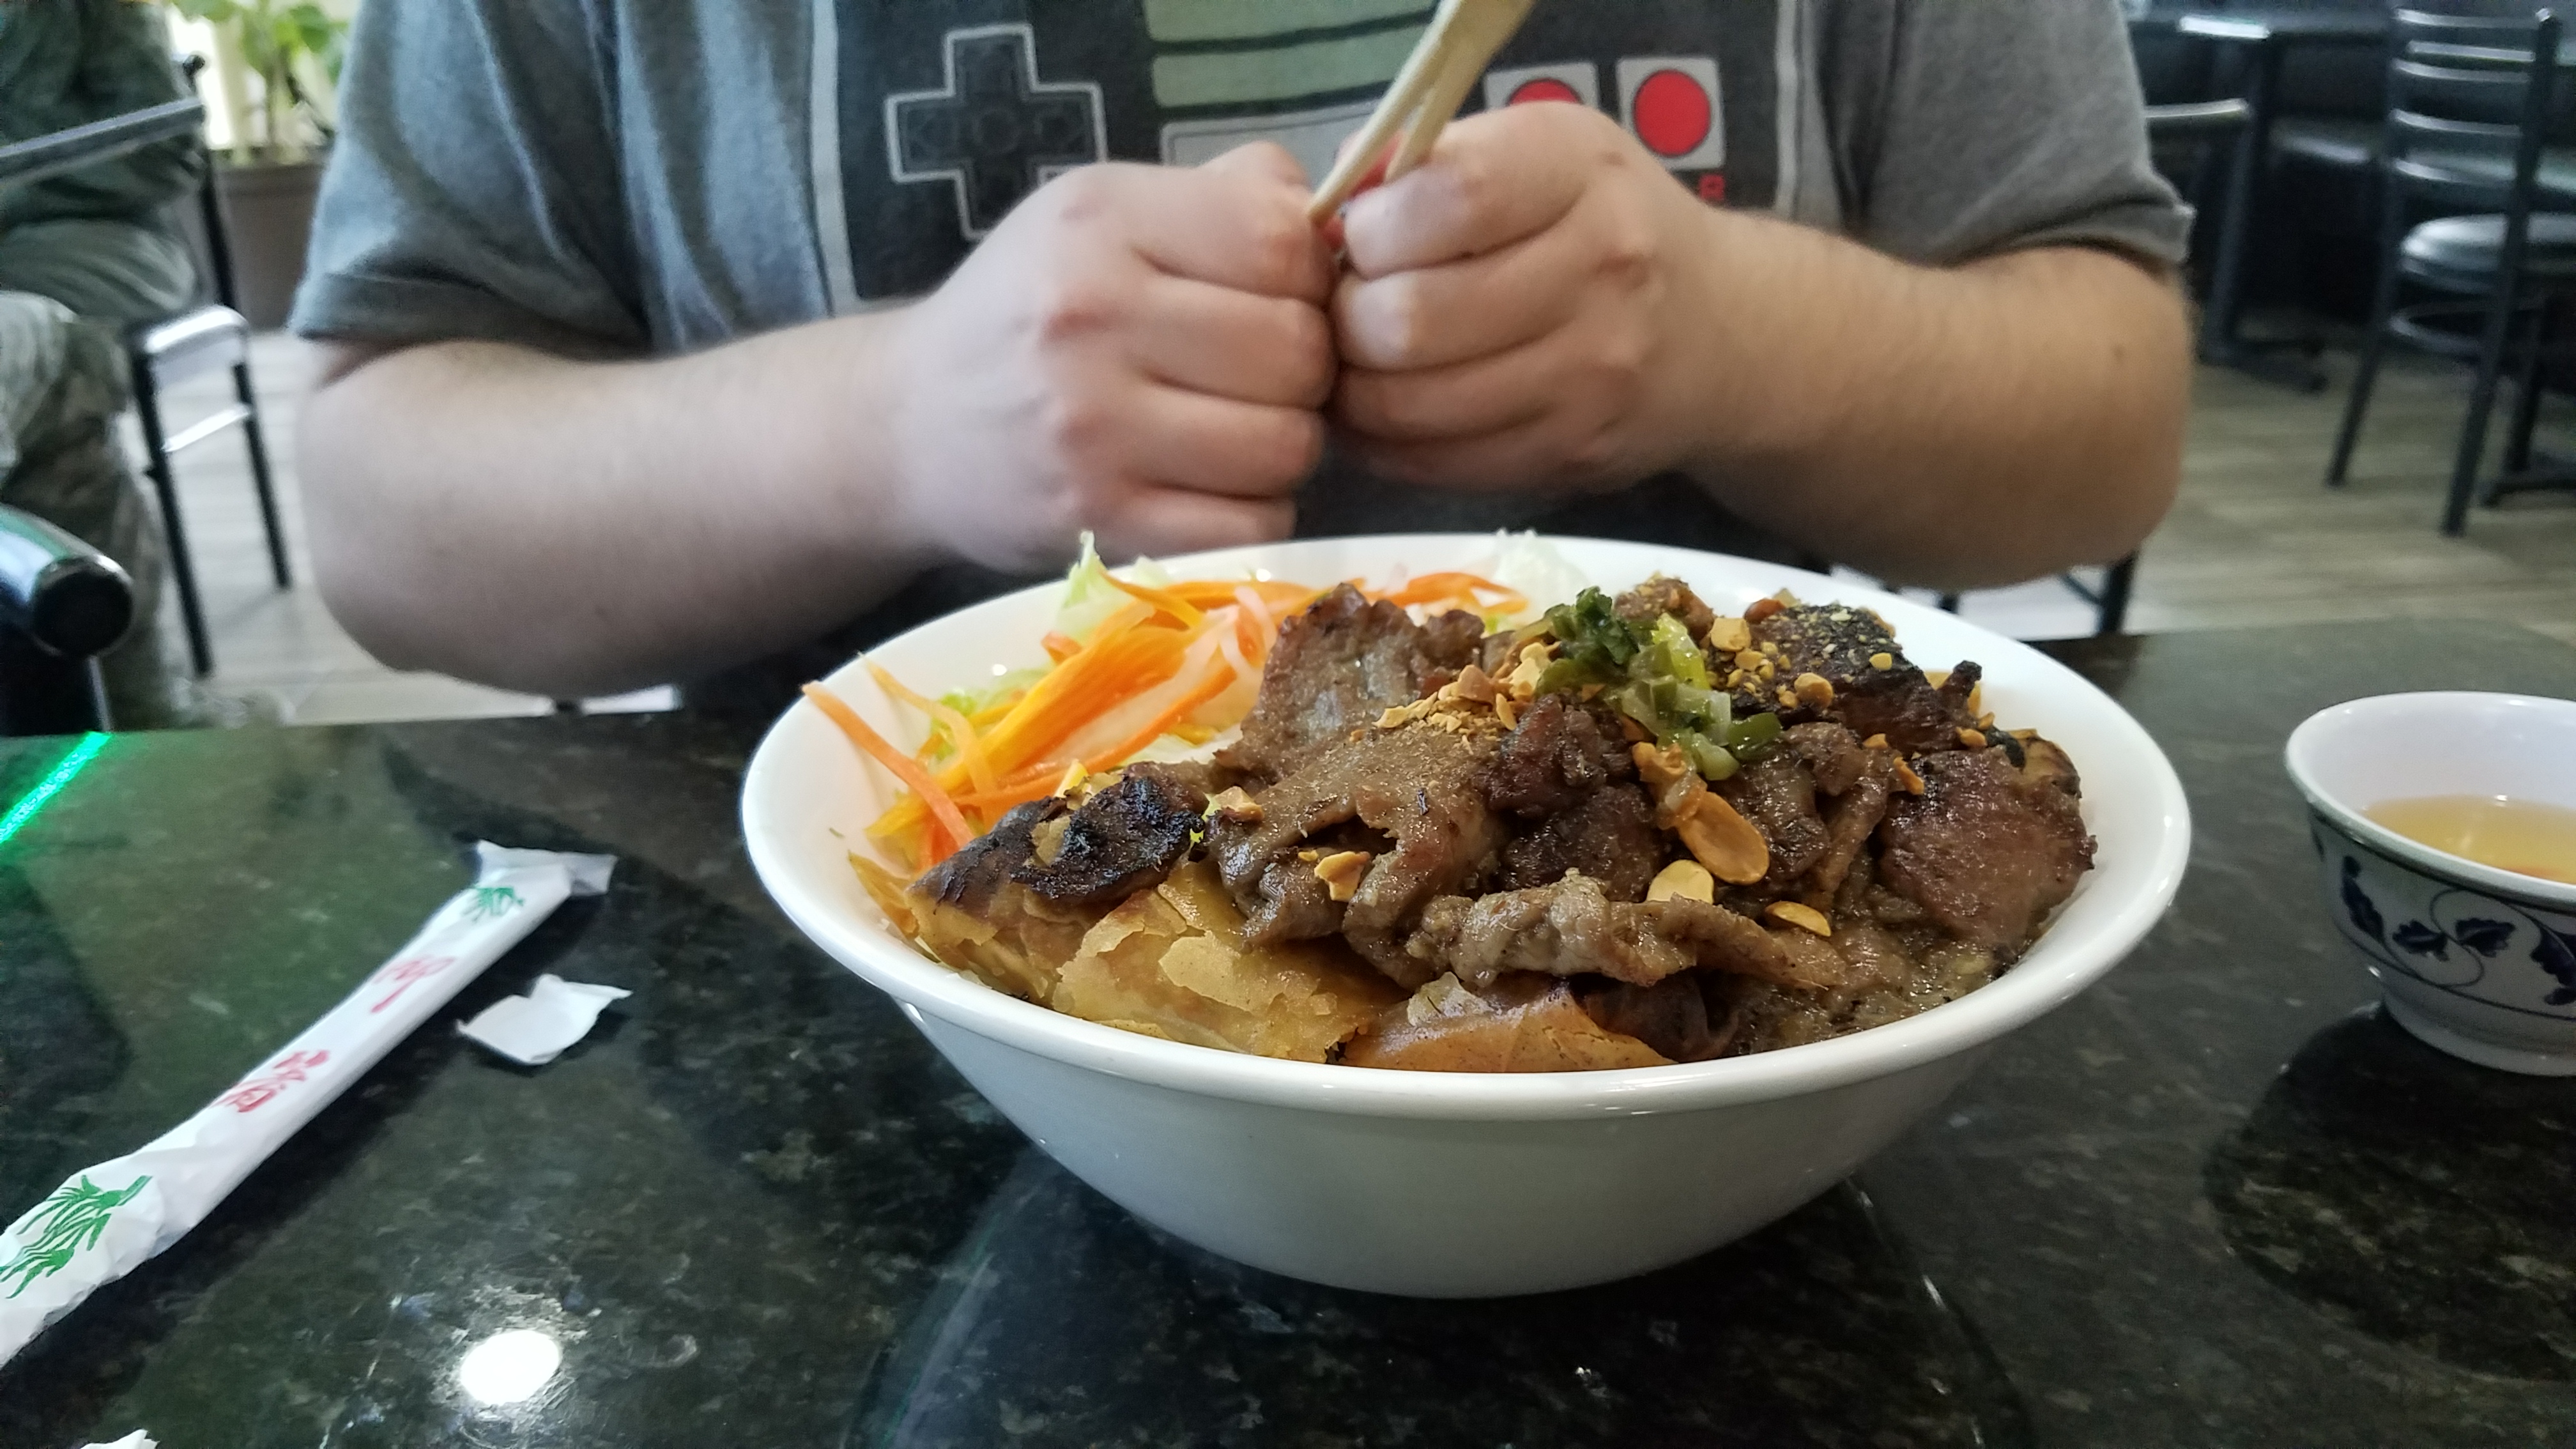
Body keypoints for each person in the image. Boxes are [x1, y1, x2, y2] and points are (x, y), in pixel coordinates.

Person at [292, 0, 2192, 709]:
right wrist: (887, 428)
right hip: (853, 1007)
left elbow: (2111, 434)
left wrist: (1754, 338)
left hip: (1738, 1037)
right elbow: (385, 519)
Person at [0, 0, 203, 726]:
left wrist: (16, 184)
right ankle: (140, 712)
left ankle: (135, 713)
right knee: (53, 377)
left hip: (81, 241)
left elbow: (164, 149)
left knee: (45, 347)